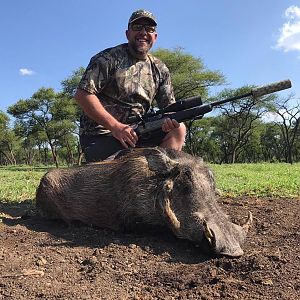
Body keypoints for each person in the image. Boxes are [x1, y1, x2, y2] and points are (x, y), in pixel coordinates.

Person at [75, 9, 186, 162]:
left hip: (139, 133)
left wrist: (169, 121)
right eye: (137, 27)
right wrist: (116, 127)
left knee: (178, 129)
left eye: (149, 29)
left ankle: (162, 176)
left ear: (155, 36)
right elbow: (83, 95)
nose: (143, 32)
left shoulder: (160, 69)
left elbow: (170, 108)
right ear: (127, 34)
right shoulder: (107, 58)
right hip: (103, 134)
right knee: (113, 181)